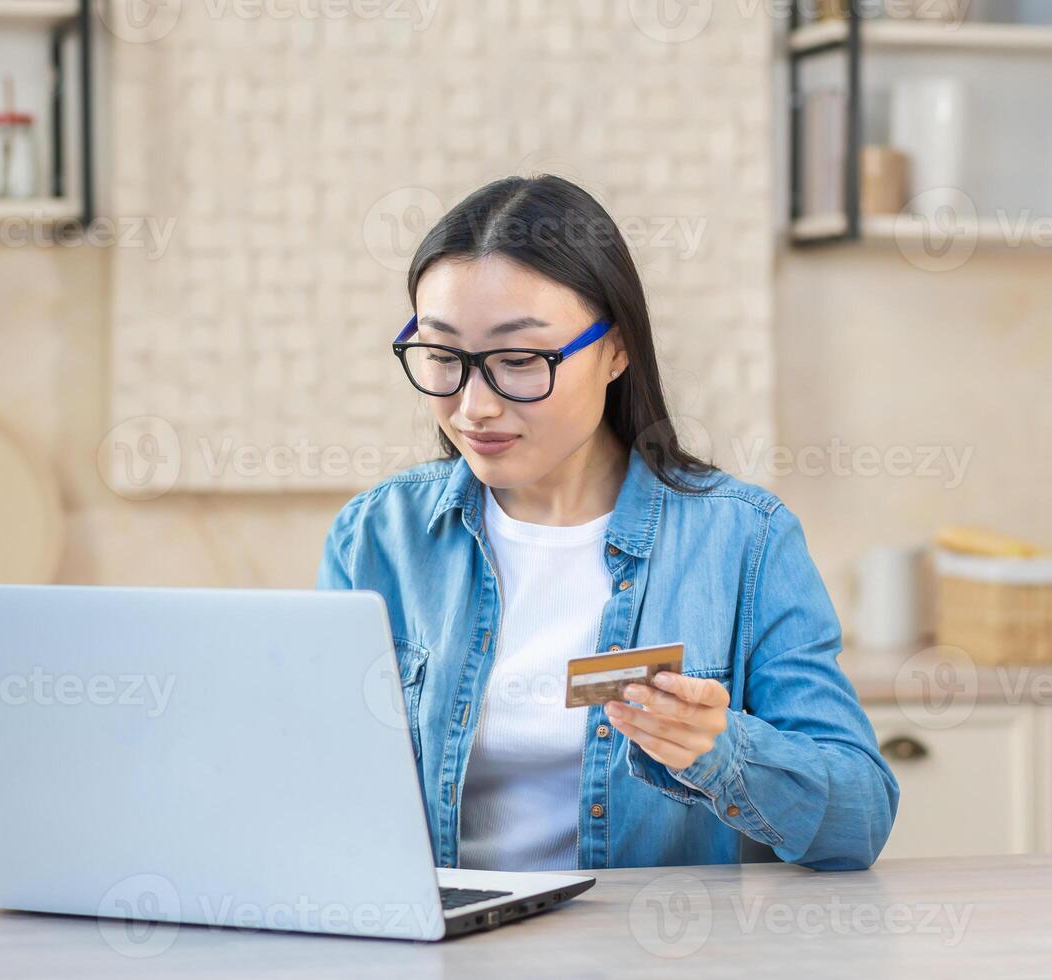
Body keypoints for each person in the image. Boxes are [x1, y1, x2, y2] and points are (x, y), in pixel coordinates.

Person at [317, 174, 898, 872]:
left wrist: (722, 749)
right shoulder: (377, 537)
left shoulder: (744, 540)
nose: (473, 407)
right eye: (443, 358)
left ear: (616, 350)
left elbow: (858, 820)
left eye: (520, 361)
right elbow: (319, 786)